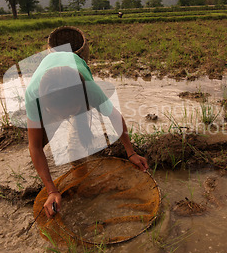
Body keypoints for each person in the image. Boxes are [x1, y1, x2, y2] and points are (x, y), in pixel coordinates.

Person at [25, 49, 148, 219]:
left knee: (77, 140)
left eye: (69, 113)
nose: (64, 118)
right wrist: (51, 189)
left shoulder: (89, 90)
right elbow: (34, 146)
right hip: (52, 96)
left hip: (76, 81)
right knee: (41, 139)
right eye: (60, 115)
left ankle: (81, 181)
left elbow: (114, 116)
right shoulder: (33, 95)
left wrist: (131, 152)